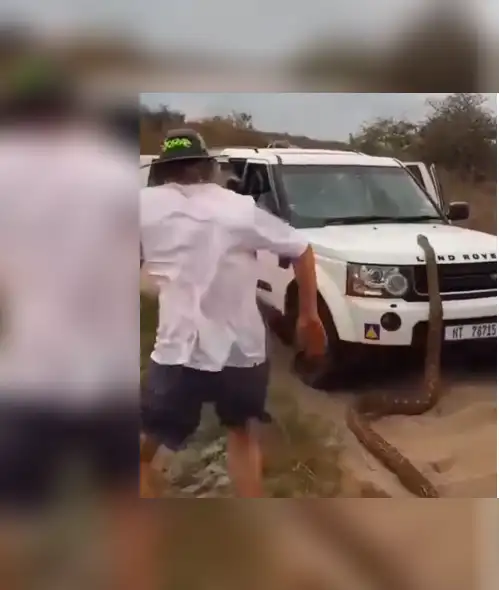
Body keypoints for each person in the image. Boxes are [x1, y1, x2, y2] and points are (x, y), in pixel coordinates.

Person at [0, 55, 148, 590]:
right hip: (107, 373)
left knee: (14, 512)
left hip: (31, 373)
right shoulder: (110, 170)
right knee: (126, 510)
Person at [139, 129, 327, 499]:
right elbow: (302, 249)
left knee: (147, 445)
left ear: (163, 171)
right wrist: (309, 316)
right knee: (242, 433)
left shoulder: (141, 206)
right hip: (242, 351)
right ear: (207, 168)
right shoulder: (238, 209)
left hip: (179, 350)